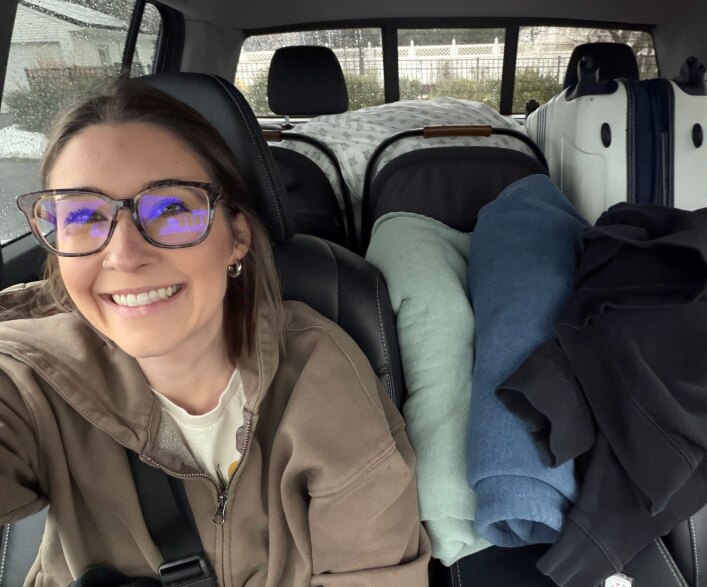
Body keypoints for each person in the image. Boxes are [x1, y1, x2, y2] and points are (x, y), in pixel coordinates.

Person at [0, 81, 430, 586]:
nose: (123, 255)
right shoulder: (27, 376)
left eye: (170, 209)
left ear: (237, 238)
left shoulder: (324, 383)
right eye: (83, 216)